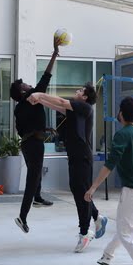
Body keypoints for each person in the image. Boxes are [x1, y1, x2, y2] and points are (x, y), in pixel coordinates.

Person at [27, 82, 107, 252]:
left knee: (82, 193)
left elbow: (62, 102)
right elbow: (58, 105)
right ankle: (97, 216)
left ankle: (84, 233)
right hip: (75, 156)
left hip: (83, 157)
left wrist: (40, 94)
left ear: (84, 97)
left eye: (80, 90)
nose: (76, 91)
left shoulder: (85, 108)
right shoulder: (75, 110)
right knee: (77, 189)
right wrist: (40, 101)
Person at [84, 96, 133, 265]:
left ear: (121, 114)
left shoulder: (122, 135)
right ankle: (107, 256)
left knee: (127, 233)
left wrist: (93, 187)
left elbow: (110, 165)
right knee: (123, 226)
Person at [10, 37, 59, 234]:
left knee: (35, 172)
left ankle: (37, 197)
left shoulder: (21, 108)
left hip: (28, 143)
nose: (29, 84)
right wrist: (55, 53)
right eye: (25, 85)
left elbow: (24, 128)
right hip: (33, 144)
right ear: (23, 92)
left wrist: (45, 130)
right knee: (32, 178)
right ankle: (23, 216)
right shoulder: (33, 98)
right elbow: (46, 76)